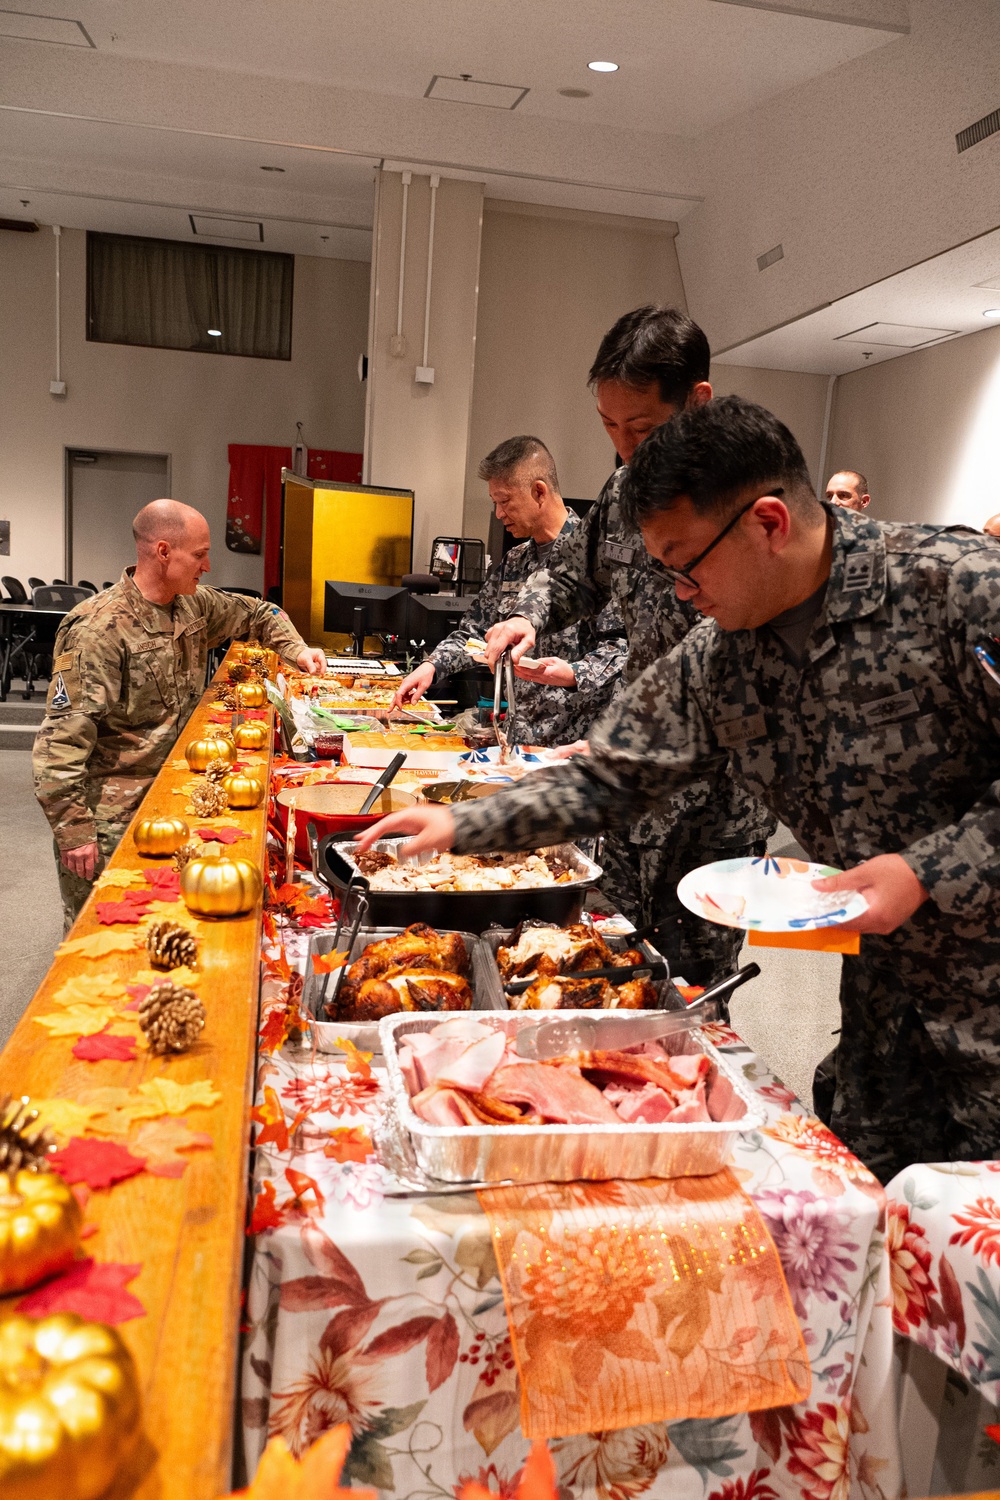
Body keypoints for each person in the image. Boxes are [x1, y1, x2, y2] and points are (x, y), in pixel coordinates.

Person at [363, 395, 1000, 1183]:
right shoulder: (725, 649)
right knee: (879, 1213)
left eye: (686, 565)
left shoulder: (956, 588)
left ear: (768, 523)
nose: (677, 593)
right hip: (886, 998)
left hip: (988, 995)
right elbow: (613, 776)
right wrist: (464, 825)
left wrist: (929, 871)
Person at [482, 307, 774, 982]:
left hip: (715, 793)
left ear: (697, 402)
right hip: (633, 781)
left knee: (693, 981)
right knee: (612, 952)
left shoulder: (748, 496)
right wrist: (529, 615)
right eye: (609, 426)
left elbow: (751, 653)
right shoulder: (621, 490)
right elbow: (574, 576)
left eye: (640, 428)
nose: (624, 447)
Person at [34, 499, 326, 928]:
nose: (207, 566)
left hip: (176, 793)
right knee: (105, 930)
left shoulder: (190, 605)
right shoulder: (98, 630)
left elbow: (261, 612)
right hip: (115, 813)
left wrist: (297, 650)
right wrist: (74, 832)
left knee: (169, 925)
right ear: (163, 551)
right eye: (200, 554)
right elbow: (59, 744)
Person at [393, 435, 626, 748]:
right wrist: (430, 667)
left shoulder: (596, 562)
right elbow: (472, 634)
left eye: (504, 501)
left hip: (578, 746)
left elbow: (622, 646)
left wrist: (573, 673)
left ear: (539, 492)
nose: (499, 513)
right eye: (495, 503)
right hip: (522, 742)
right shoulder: (514, 562)